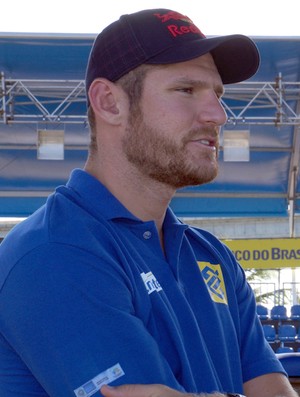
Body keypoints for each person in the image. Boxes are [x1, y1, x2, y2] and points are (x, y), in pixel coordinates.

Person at [0, 7, 297, 397]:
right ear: (109, 102)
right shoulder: (56, 251)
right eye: (187, 90)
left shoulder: (212, 257)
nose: (219, 115)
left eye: (218, 95)